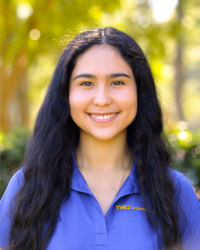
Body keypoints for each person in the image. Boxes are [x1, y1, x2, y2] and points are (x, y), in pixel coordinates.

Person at [0, 27, 200, 250]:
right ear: (65, 94)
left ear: (139, 91)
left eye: (118, 82)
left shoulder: (176, 191)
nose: (102, 99)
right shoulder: (25, 186)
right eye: (86, 83)